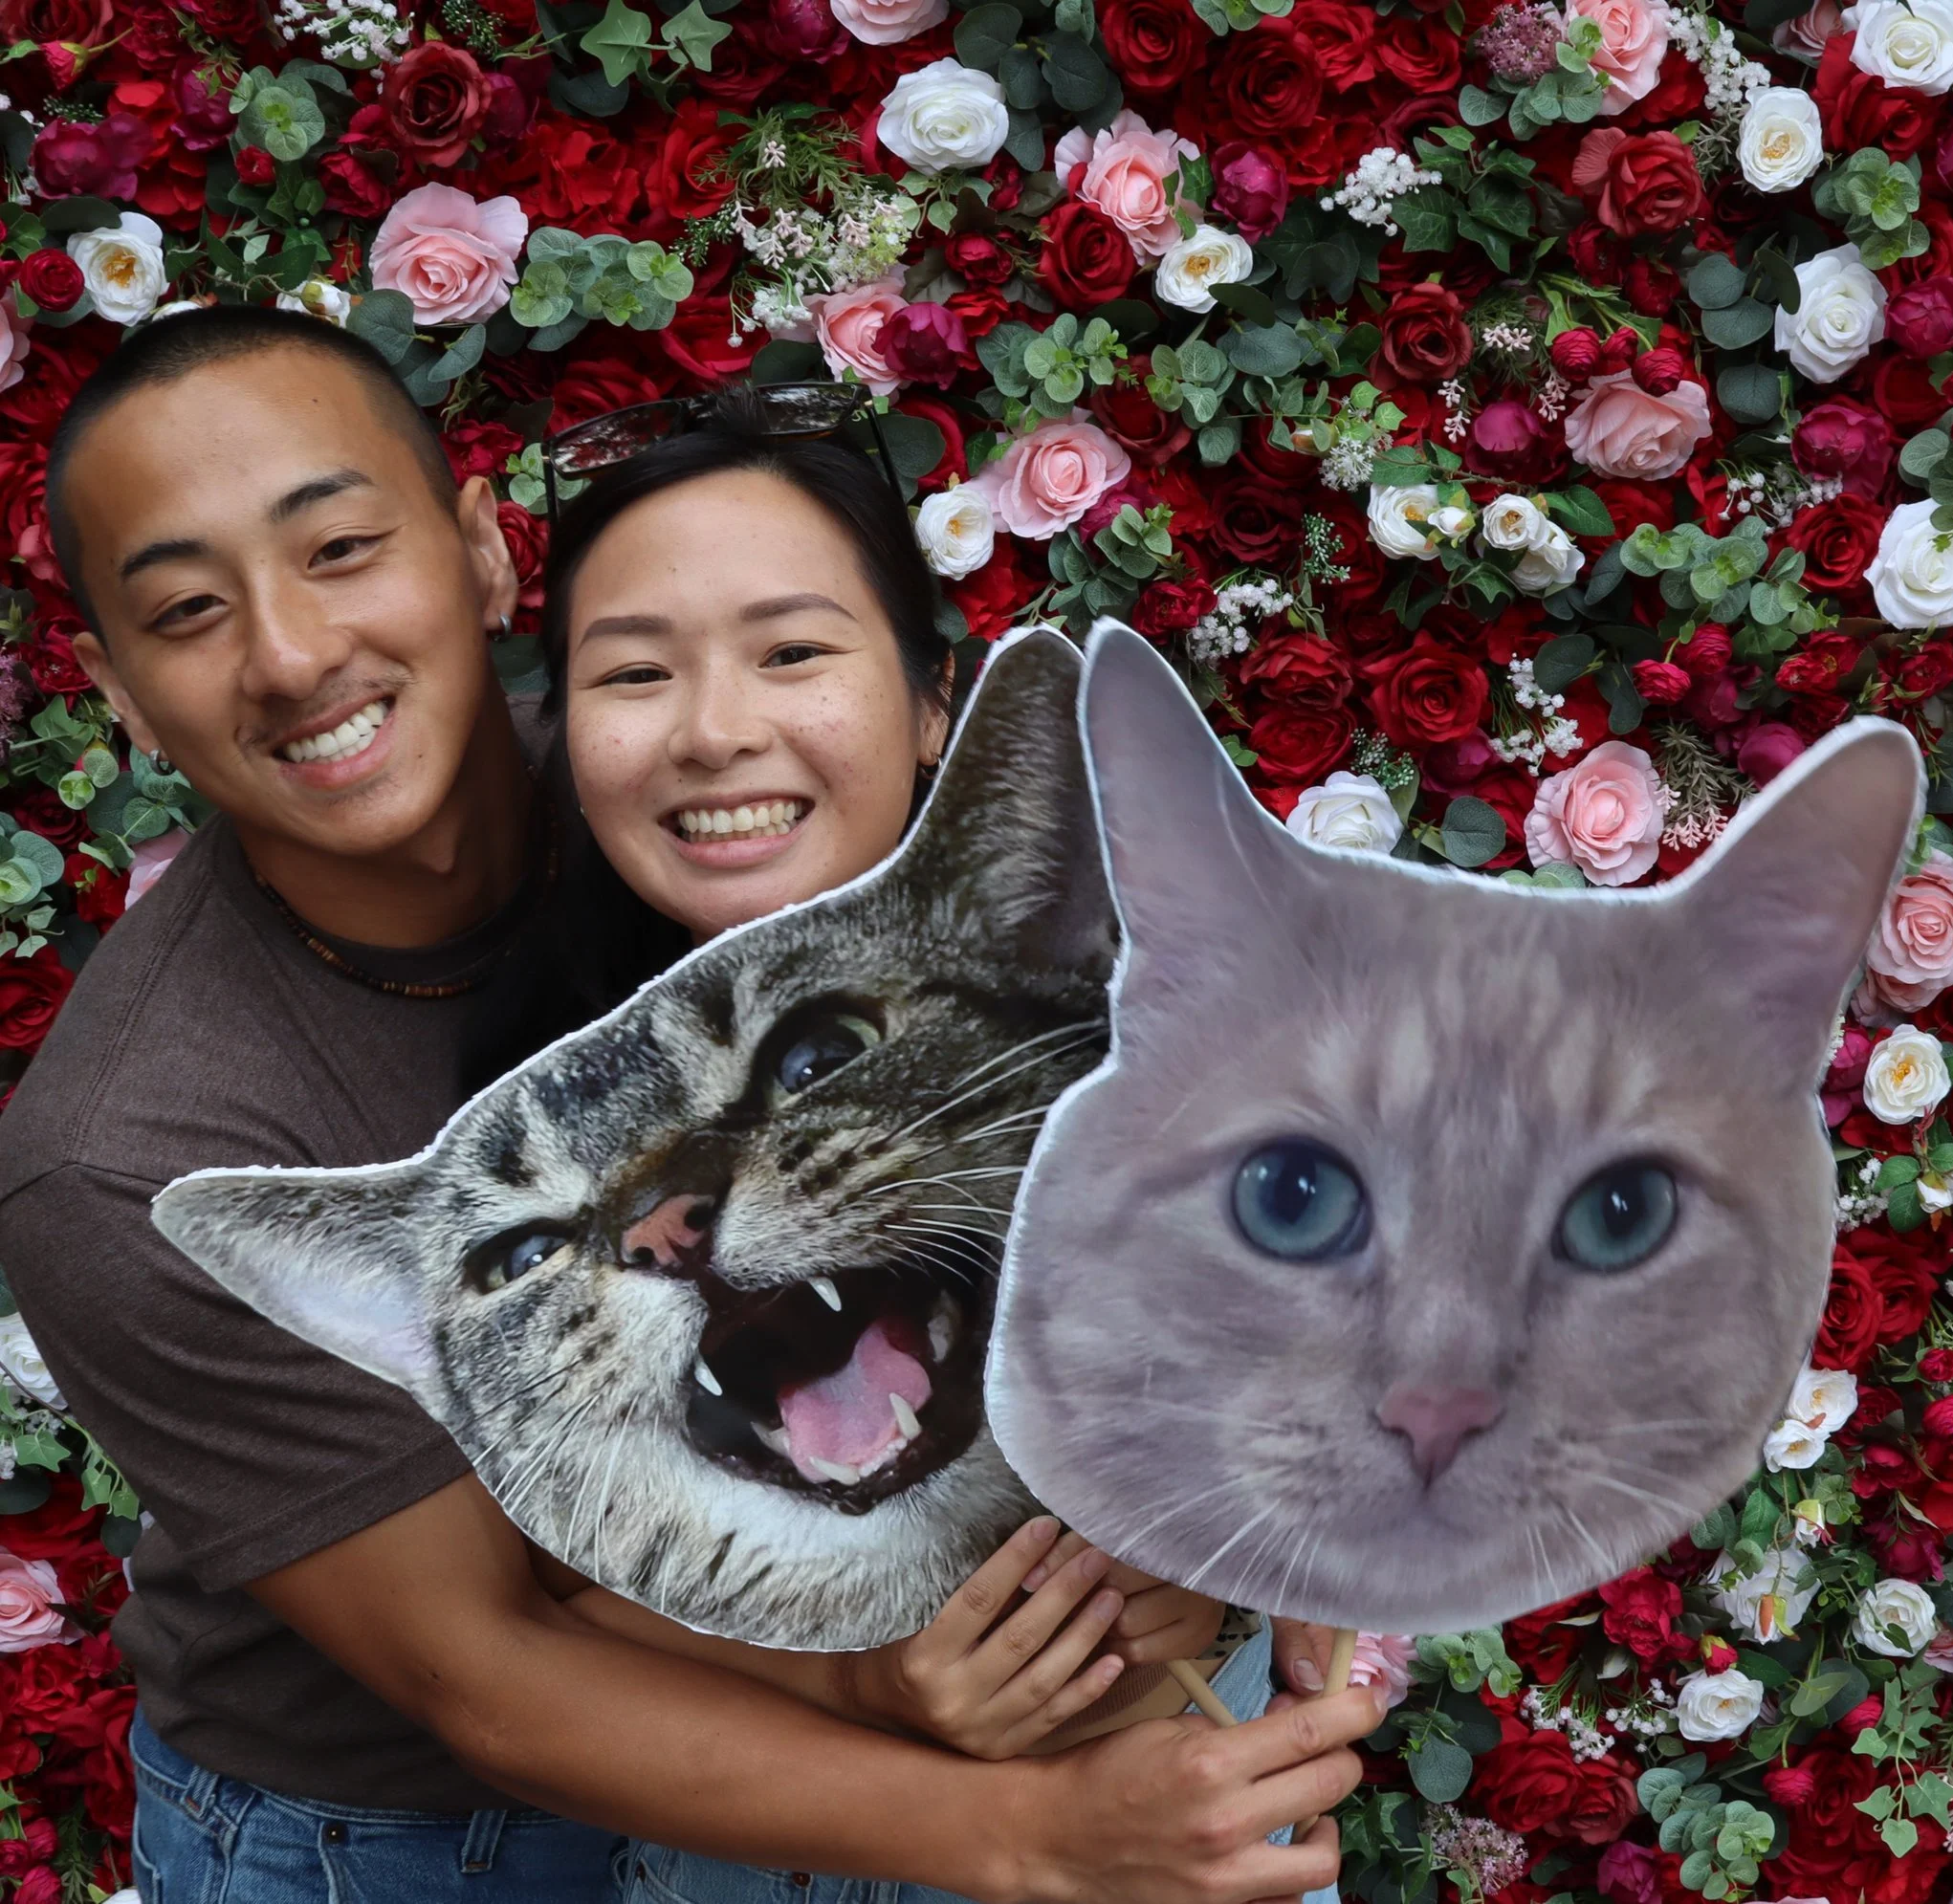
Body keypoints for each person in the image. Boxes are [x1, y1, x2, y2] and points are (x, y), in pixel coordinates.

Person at [0, 305, 1377, 1904]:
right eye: (187, 607)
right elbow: (492, 1667)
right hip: (407, 1826)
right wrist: (959, 1769)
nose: (293, 652)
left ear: (483, 555)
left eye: (340, 548)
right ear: (111, 683)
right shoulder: (126, 1152)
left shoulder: (688, 793)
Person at [468, 392, 1346, 1904]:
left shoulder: (1168, 1007)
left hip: (1180, 1829)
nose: (714, 728)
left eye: (793, 649)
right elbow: (540, 1596)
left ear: (934, 695)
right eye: (632, 671)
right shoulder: (535, 1121)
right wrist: (858, 1682)